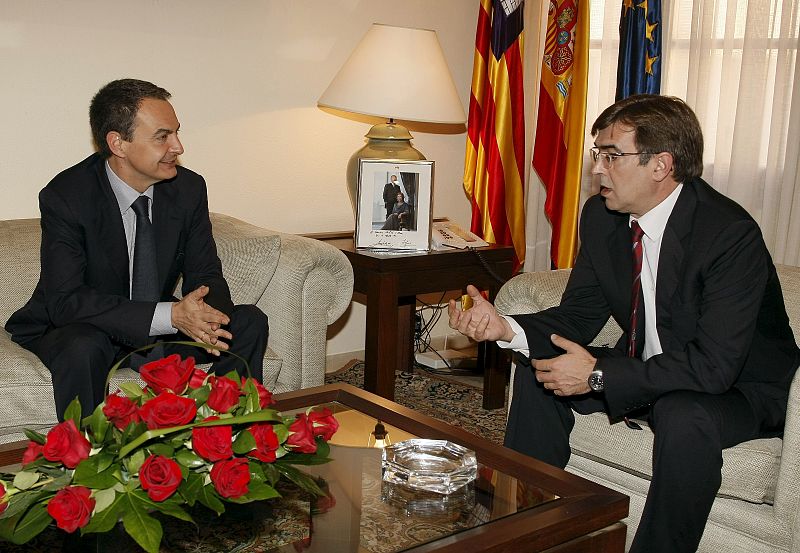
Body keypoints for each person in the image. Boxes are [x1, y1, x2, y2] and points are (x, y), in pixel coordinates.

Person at [448, 94, 799, 553]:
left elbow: (713, 368)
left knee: (683, 415)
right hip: (653, 368)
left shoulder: (728, 235)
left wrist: (598, 374)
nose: (597, 169)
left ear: (661, 165)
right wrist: (506, 329)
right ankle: (526, 527)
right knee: (542, 370)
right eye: (598, 154)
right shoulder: (602, 217)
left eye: (611, 156)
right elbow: (579, 315)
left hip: (740, 389)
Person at [5, 79, 269, 419]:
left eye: (176, 132)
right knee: (83, 346)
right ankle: (88, 448)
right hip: (85, 326)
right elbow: (66, 301)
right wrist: (170, 315)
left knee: (248, 322)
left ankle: (228, 432)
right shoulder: (68, 196)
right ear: (118, 143)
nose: (178, 146)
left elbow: (205, 272)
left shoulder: (188, 189)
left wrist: (205, 318)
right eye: (162, 136)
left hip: (158, 328)